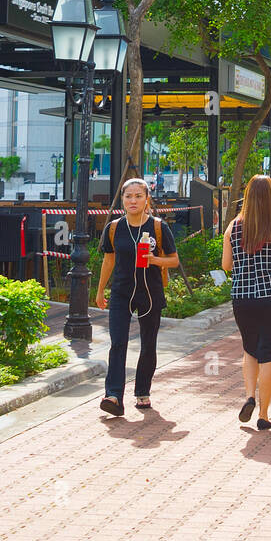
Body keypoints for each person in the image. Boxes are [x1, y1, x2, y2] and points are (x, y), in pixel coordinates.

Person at [221, 173, 271, 430]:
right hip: (270, 296)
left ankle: (249, 396)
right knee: (268, 355)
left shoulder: (233, 226)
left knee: (249, 349)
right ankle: (264, 415)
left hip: (241, 297)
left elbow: (226, 265)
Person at [96, 177, 179, 416]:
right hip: (121, 293)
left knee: (148, 344)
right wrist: (100, 290)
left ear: (146, 200)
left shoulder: (158, 227)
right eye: (128, 196)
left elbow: (173, 260)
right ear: (122, 199)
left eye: (138, 196)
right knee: (118, 342)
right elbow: (108, 260)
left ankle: (142, 390)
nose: (133, 201)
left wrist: (154, 260)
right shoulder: (114, 228)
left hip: (150, 293)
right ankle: (113, 396)